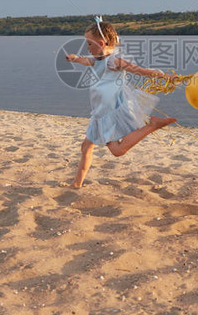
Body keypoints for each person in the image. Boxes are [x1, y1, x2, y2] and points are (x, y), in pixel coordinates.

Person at [65, 18, 177, 188]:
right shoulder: (97, 59)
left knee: (116, 150)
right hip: (99, 112)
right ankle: (76, 183)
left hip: (109, 112)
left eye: (89, 44)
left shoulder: (114, 61)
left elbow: (139, 70)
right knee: (86, 146)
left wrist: (165, 76)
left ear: (101, 43)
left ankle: (152, 125)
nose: (87, 48)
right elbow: (85, 60)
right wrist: (74, 59)